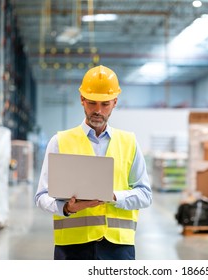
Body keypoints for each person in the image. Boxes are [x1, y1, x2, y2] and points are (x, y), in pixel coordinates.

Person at [35, 65, 152, 260]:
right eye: (92, 103)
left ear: (115, 102)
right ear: (82, 99)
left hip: (118, 249)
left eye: (105, 104)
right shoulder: (60, 141)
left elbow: (145, 195)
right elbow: (41, 196)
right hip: (72, 248)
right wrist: (66, 208)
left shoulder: (129, 142)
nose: (98, 110)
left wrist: (114, 196)